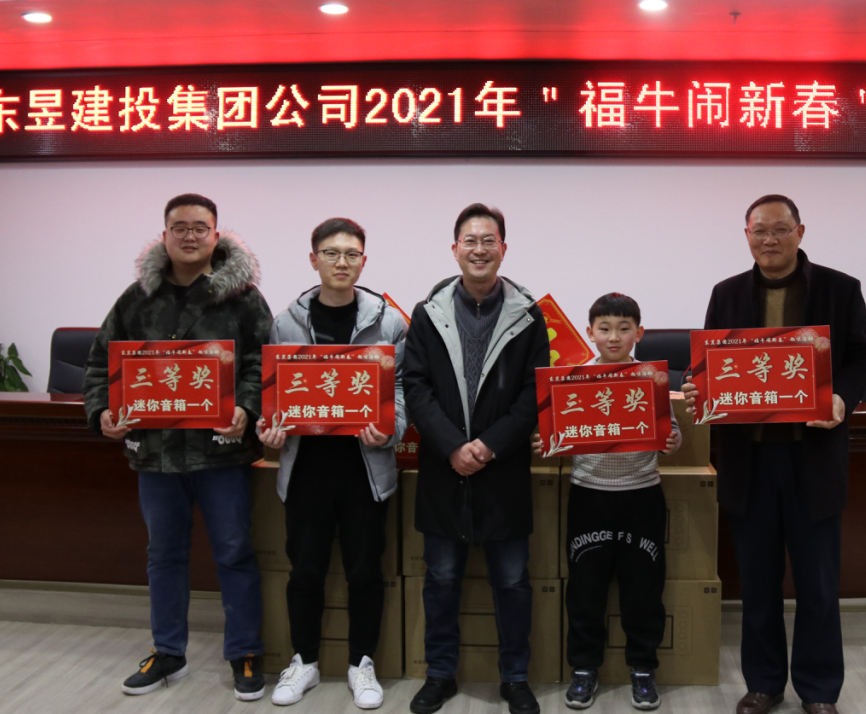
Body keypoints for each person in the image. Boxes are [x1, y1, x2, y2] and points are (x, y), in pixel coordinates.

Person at [683, 195, 866, 714]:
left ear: (800, 232)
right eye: (759, 231)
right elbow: (709, 364)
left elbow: (863, 355)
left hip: (812, 460)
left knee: (818, 584)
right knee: (758, 583)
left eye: (780, 229)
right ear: (746, 235)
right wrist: (699, 385)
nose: (769, 240)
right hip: (750, 463)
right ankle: (764, 683)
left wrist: (842, 398)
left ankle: (819, 690)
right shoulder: (726, 293)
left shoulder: (839, 289)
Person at [82, 193, 272, 702]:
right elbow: (100, 364)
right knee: (163, 555)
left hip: (221, 453)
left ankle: (245, 652)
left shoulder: (242, 298)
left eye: (199, 227)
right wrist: (102, 413)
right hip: (157, 454)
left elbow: (262, 362)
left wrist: (246, 407)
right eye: (180, 227)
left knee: (234, 552)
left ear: (216, 234)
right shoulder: (137, 298)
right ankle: (168, 651)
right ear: (164, 235)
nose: (190, 236)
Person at [401, 204, 551, 714]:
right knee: (441, 579)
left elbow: (534, 393)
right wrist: (452, 445)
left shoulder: (528, 316)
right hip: (443, 469)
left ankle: (515, 678)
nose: (480, 249)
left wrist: (489, 445)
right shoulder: (428, 312)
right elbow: (415, 386)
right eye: (470, 240)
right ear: (455, 249)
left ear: (503, 249)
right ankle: (440, 675)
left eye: (489, 241)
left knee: (512, 581)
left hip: (503, 469)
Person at [256, 217, 408, 709]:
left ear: (363, 261)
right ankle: (304, 661)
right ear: (313, 259)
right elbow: (274, 394)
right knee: (305, 571)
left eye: (351, 254)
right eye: (331, 253)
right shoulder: (286, 322)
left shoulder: (388, 322)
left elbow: (401, 389)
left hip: (366, 469)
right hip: (307, 468)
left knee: (365, 570)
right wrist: (269, 430)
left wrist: (391, 428)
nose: (341, 262)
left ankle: (362, 663)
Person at [530, 293, 696, 711]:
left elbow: (672, 436)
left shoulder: (652, 380)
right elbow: (556, 436)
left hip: (642, 496)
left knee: (644, 589)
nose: (614, 337)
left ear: (639, 333)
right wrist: (545, 441)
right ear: (590, 333)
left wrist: (672, 441)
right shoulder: (572, 381)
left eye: (624, 328)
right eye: (605, 328)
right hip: (589, 496)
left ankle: (643, 668)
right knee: (585, 590)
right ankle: (584, 668)